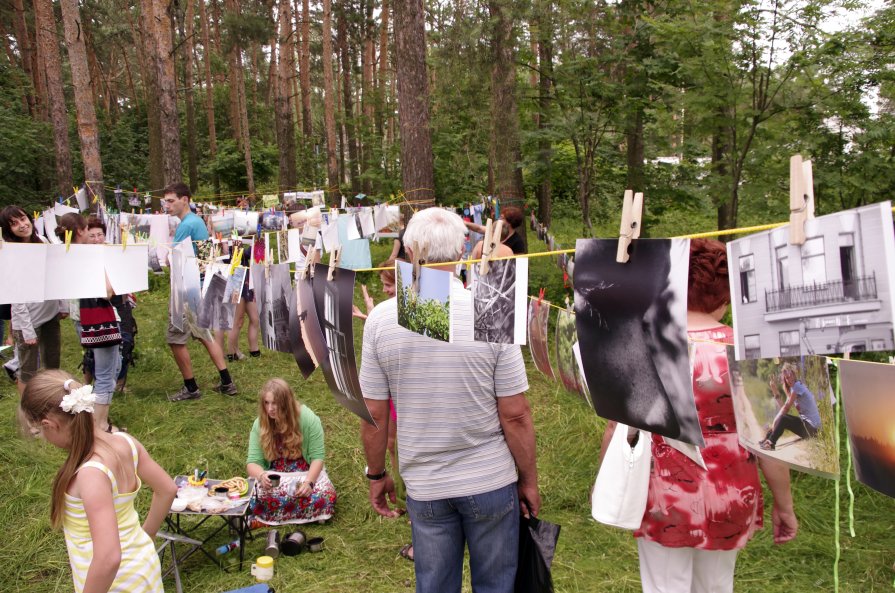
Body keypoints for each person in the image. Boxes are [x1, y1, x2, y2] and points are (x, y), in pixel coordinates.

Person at [599, 238, 798, 593]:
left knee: (663, 587)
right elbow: (772, 443)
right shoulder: (750, 353)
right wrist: (785, 506)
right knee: (716, 586)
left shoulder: (643, 344)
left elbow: (617, 428)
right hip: (731, 495)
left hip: (662, 497)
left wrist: (609, 485)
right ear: (725, 296)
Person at [359, 207, 539, 593]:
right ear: (462, 251)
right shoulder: (491, 306)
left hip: (428, 485)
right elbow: (516, 414)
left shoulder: (381, 320)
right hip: (489, 481)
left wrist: (376, 474)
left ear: (407, 250)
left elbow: (374, 413)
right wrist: (529, 480)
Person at [20, 369, 176, 593]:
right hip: (143, 568)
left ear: (49, 425)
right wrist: (147, 536)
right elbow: (167, 489)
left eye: (40, 432)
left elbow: (108, 557)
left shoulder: (91, 474)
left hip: (118, 585)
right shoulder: (125, 442)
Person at [163, 182, 238, 401]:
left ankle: (191, 388)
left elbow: (173, 260)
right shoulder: (198, 222)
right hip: (198, 285)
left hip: (186, 289)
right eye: (165, 201)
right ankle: (227, 382)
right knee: (204, 334)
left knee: (176, 338)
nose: (166, 206)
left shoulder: (187, 225)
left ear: (184, 199)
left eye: (171, 200)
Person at [55, 213, 123, 433]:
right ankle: (99, 425)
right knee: (106, 373)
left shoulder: (65, 254)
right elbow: (106, 292)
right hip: (98, 319)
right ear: (81, 231)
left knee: (104, 368)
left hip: (81, 318)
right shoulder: (86, 256)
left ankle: (96, 419)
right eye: (87, 230)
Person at [246, 378, 337, 526]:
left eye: (275, 403)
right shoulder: (260, 423)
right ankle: (306, 516)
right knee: (254, 495)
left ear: (286, 403)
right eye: (266, 403)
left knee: (326, 495)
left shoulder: (308, 418)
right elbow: (252, 463)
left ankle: (269, 517)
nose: (270, 409)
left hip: (304, 473)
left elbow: (317, 458)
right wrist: (261, 475)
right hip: (276, 475)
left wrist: (309, 483)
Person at [1, 206, 67, 396]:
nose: (22, 225)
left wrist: (61, 305)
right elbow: (15, 295)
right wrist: (27, 329)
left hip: (50, 314)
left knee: (53, 365)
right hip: (27, 321)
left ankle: (52, 403)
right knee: (28, 371)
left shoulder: (43, 241)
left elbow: (54, 276)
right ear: (8, 230)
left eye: (23, 219)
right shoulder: (9, 253)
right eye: (14, 224)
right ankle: (29, 417)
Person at [760, 363, 822, 451]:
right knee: (783, 418)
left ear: (793, 374)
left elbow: (785, 409)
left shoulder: (797, 387)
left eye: (789, 376)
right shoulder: (794, 389)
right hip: (809, 428)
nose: (788, 379)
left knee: (784, 419)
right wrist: (774, 389)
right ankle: (768, 439)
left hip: (814, 430)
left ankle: (770, 443)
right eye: (786, 378)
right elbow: (783, 407)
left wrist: (774, 422)